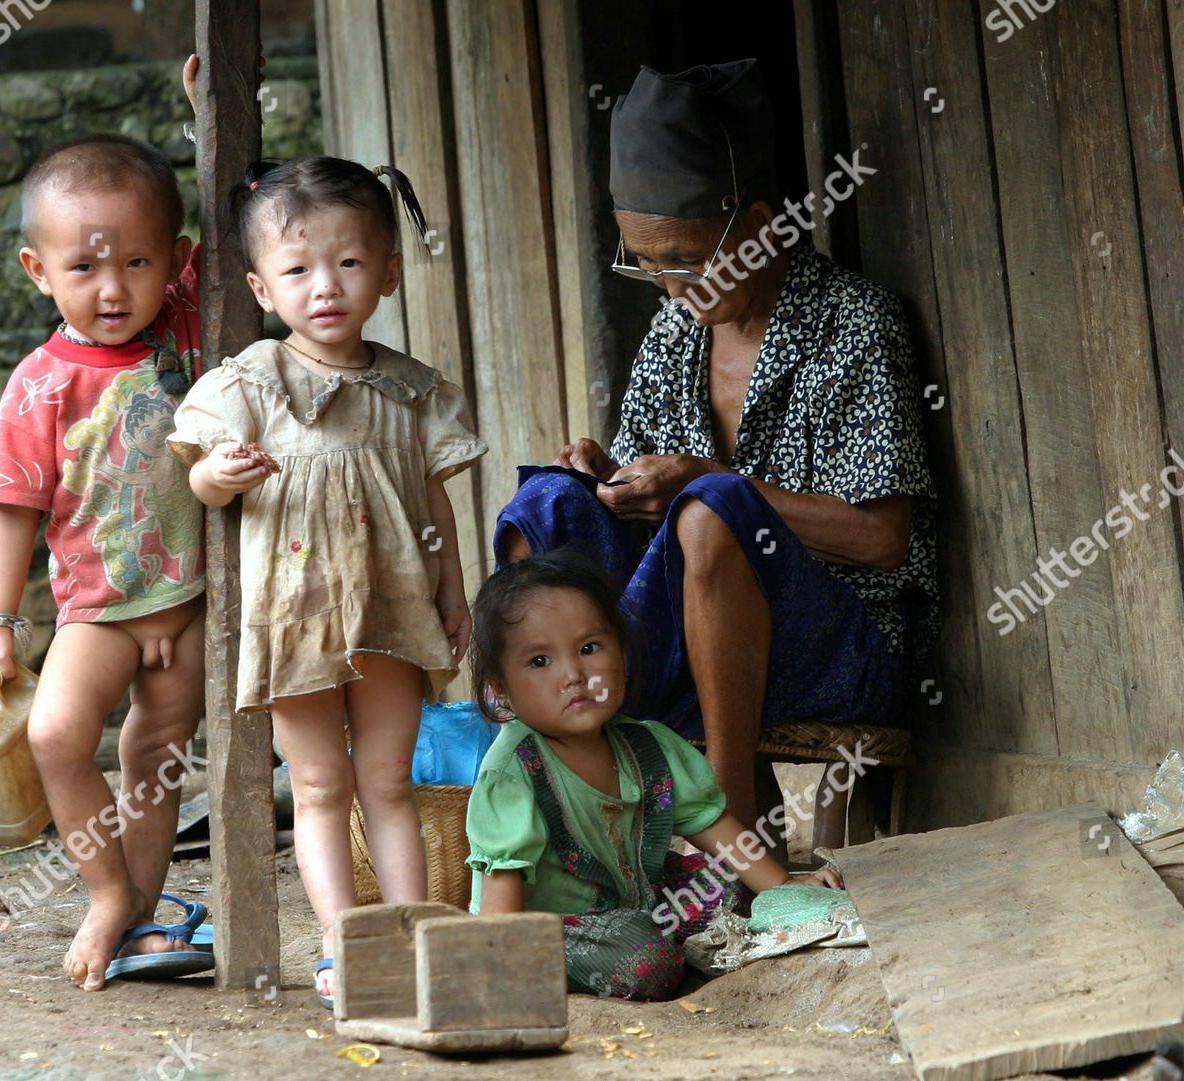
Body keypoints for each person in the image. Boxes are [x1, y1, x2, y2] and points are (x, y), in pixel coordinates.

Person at [495, 60, 937, 839]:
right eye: (647, 264)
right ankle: (566, 806)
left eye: (686, 260)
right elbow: (640, 500)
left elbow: (882, 535)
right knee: (546, 503)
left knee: (712, 514)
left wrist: (709, 484)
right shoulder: (675, 331)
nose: (669, 288)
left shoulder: (855, 323)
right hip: (694, 637)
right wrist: (606, 479)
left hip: (837, 646)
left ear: (761, 225)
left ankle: (726, 830)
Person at [168, 156, 487, 1009]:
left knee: (389, 781)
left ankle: (411, 934)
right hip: (296, 618)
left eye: (349, 264)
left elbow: (434, 508)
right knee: (317, 784)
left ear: (386, 272)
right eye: (299, 269)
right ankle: (345, 945)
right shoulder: (250, 383)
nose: (326, 287)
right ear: (262, 287)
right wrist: (222, 476)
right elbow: (198, 484)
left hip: (391, 611)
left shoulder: (411, 392)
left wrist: (454, 596)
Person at [0, 130, 214, 992]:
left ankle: (144, 922)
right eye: (84, 270)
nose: (114, 289)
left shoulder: (187, 328)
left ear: (175, 260)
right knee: (57, 734)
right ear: (38, 269)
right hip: (96, 609)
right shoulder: (41, 382)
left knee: (156, 760)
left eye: (138, 262)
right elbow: (10, 508)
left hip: (186, 602)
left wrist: (203, 119)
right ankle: (107, 893)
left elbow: (232, 218)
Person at [464, 549, 841, 1001]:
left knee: (733, 888)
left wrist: (782, 887)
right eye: (540, 661)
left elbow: (712, 825)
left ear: (621, 655)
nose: (575, 675)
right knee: (644, 957)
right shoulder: (513, 773)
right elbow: (502, 893)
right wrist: (501, 965)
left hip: (644, 904)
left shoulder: (647, 745)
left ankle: (683, 941)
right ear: (500, 688)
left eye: (589, 648)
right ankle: (664, 953)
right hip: (551, 926)